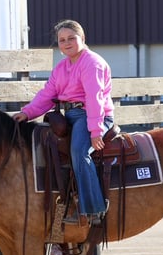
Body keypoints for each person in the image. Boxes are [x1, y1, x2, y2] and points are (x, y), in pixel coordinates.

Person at [13, 19, 114, 225]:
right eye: (62, 40)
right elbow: (47, 94)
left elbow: (94, 98)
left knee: (79, 152)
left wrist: (95, 131)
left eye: (71, 38)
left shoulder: (91, 63)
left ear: (83, 38)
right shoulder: (61, 67)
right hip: (68, 117)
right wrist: (27, 112)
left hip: (91, 114)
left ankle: (94, 209)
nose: (66, 43)